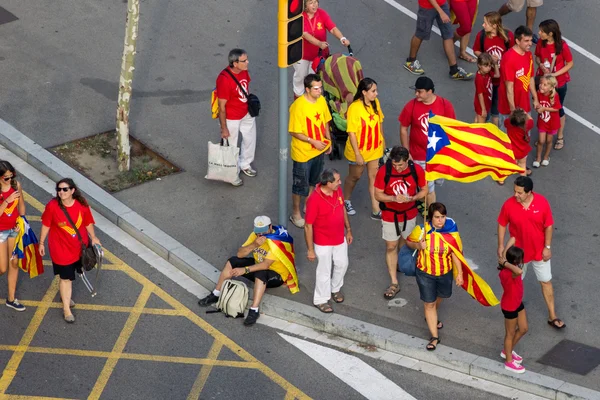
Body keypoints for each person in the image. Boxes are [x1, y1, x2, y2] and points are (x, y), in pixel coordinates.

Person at [198, 216, 299, 326]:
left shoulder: (277, 241)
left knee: (261, 273)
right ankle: (215, 294)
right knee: (233, 261)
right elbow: (240, 254)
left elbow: (265, 265)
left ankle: (254, 310)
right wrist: (254, 245)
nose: (260, 235)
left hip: (276, 274)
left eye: (263, 231)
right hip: (257, 264)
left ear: (270, 227)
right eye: (258, 232)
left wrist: (244, 270)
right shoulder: (254, 236)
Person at [497, 176, 565, 330]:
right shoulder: (509, 204)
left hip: (539, 252)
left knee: (546, 281)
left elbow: (548, 225)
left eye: (519, 193)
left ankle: (552, 316)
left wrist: (547, 247)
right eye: (515, 191)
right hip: (518, 255)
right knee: (514, 284)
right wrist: (500, 245)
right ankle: (514, 316)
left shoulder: (542, 202)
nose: (516, 195)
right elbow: (502, 224)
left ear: (529, 192)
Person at [39, 178, 101, 323]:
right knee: (65, 278)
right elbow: (46, 225)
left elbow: (88, 222)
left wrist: (94, 237)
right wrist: (41, 243)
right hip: (61, 250)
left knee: (73, 273)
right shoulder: (52, 206)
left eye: (65, 189)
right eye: (59, 189)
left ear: (72, 190)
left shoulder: (82, 204)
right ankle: (66, 308)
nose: (61, 192)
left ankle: (64, 295)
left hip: (79, 249)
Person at [406, 203, 464, 351]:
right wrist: (419, 246)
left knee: (440, 296)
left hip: (445, 273)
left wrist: (460, 274)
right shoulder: (422, 230)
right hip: (425, 273)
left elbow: (454, 253)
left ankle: (432, 314)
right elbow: (408, 242)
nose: (440, 220)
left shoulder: (451, 231)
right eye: (437, 217)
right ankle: (434, 337)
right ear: (431, 217)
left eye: (443, 217)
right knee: (429, 303)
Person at [374, 146, 428, 300]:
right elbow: (377, 194)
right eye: (395, 165)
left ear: (407, 160)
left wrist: (412, 198)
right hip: (390, 215)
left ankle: (399, 264)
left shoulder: (416, 169)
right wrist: (393, 198)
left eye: (400, 165)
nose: (397, 168)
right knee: (391, 246)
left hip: (409, 213)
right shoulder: (384, 170)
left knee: (405, 244)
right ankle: (394, 282)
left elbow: (424, 190)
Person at [399, 76, 455, 205]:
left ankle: (422, 201)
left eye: (419, 91)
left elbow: (452, 128)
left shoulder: (445, 105)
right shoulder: (411, 106)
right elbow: (403, 129)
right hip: (419, 156)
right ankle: (431, 218)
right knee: (429, 190)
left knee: (434, 183)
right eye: (416, 91)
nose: (416, 94)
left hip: (439, 156)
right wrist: (407, 153)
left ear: (430, 91)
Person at [305, 169, 352, 313]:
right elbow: (308, 226)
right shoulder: (314, 199)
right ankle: (320, 299)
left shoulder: (337, 191)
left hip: (339, 237)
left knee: (342, 264)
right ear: (328, 183)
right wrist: (311, 249)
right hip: (323, 241)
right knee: (324, 271)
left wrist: (348, 229)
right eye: (337, 180)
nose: (340, 182)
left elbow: (342, 208)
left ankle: (335, 288)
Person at [288, 74, 332, 228]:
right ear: (307, 89)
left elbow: (325, 121)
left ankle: (308, 205)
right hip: (303, 153)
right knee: (299, 185)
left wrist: (328, 141)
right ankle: (295, 213)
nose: (319, 91)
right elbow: (294, 131)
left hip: (319, 150)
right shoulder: (298, 106)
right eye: (316, 88)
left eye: (320, 88)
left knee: (314, 181)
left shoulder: (321, 100)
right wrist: (312, 141)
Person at [342, 78, 385, 219]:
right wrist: (357, 154)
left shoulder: (375, 103)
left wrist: (382, 141)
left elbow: (380, 123)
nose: (376, 94)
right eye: (373, 91)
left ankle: (375, 209)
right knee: (355, 176)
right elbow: (352, 133)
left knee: (374, 178)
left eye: (376, 90)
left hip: (374, 149)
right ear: (364, 92)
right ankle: (345, 200)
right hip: (359, 151)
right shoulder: (354, 108)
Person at [293, 0, 350, 99]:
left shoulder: (322, 14)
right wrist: (319, 43)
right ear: (305, 5)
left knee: (314, 81)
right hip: (302, 55)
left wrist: (342, 38)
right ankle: (297, 102)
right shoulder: (300, 17)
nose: (314, 5)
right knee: (300, 78)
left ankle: (312, 102)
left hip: (317, 57)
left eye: (316, 2)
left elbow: (332, 28)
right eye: (311, 3)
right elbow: (305, 34)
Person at [216, 48, 257, 186]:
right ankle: (232, 174)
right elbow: (221, 107)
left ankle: (245, 164)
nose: (247, 62)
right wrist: (224, 128)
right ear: (234, 63)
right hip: (232, 117)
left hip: (246, 113)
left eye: (247, 59)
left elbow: (245, 88)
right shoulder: (224, 80)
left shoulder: (244, 71)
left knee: (250, 139)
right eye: (244, 61)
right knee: (231, 147)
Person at [403, 0, 473, 80]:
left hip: (442, 4)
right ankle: (410, 61)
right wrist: (441, 12)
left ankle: (454, 70)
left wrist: (447, 4)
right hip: (427, 7)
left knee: (448, 35)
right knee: (420, 34)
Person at [535, 19, 573, 151]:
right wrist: (540, 65)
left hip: (559, 83)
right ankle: (544, 132)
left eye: (542, 31)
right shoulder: (540, 42)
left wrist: (554, 75)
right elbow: (537, 57)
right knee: (543, 105)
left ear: (550, 33)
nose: (539, 33)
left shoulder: (562, 46)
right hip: (542, 80)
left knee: (558, 108)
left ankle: (560, 136)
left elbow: (570, 63)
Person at [473, 11, 515, 126]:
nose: (483, 25)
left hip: (502, 79)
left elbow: (513, 54)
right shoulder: (481, 36)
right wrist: (487, 58)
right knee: (484, 106)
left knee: (496, 109)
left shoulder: (508, 36)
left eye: (485, 23)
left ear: (495, 25)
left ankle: (493, 130)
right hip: (489, 78)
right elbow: (476, 50)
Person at [497, 26, 539, 127]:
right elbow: (509, 87)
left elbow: (530, 77)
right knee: (506, 139)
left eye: (530, 40)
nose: (530, 43)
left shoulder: (528, 54)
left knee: (524, 136)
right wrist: (513, 111)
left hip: (524, 105)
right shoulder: (509, 59)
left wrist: (535, 98)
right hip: (509, 110)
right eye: (526, 41)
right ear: (517, 41)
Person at [498, 238, 528, 374]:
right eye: (521, 259)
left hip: (517, 302)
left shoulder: (510, 268)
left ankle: (507, 351)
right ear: (515, 262)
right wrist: (504, 262)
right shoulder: (509, 273)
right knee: (510, 334)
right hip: (510, 306)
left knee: (523, 328)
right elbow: (519, 272)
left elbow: (506, 254)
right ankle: (509, 362)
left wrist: (504, 258)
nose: (523, 261)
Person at [0, 161, 26, 311]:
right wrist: (7, 201)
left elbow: (21, 204)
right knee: (2, 268)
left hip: (14, 229)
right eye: (6, 178)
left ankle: (11, 298)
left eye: (12, 176)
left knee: (14, 263)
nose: (10, 180)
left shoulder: (16, 185)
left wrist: (22, 221)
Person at [533, 75, 560, 168]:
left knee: (549, 140)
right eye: (541, 83)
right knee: (541, 140)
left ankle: (546, 156)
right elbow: (537, 105)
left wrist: (544, 108)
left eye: (545, 85)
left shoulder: (554, 96)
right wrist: (537, 108)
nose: (541, 86)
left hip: (552, 122)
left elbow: (557, 109)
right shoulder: (538, 94)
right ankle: (538, 158)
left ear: (551, 87)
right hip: (543, 121)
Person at [504, 108, 533, 179]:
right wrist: (525, 113)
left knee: (508, 165)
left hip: (512, 150)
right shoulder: (528, 125)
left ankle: (501, 179)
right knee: (522, 166)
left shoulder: (508, 123)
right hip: (523, 151)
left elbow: (506, 121)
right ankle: (523, 182)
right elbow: (531, 119)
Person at [474, 53, 500, 123]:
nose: (488, 68)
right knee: (481, 126)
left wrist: (495, 64)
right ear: (479, 65)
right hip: (481, 105)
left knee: (477, 121)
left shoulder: (487, 73)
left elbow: (497, 75)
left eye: (489, 65)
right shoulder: (479, 79)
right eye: (486, 66)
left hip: (487, 102)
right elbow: (480, 94)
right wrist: (483, 109)